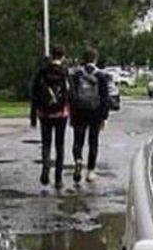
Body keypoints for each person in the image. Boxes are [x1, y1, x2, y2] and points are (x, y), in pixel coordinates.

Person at [30, 44, 71, 189]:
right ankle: (58, 179)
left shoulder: (42, 72)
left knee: (46, 143)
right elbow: (69, 94)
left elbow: (34, 94)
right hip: (61, 114)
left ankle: (45, 168)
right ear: (63, 56)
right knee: (60, 145)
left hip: (44, 113)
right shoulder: (65, 72)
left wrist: (33, 116)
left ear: (52, 55)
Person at [69, 47, 110, 184]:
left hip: (79, 112)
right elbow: (105, 98)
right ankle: (91, 171)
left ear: (83, 59)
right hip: (95, 113)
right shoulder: (101, 76)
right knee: (93, 141)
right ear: (95, 59)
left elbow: (72, 96)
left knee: (78, 140)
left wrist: (72, 113)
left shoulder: (76, 75)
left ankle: (78, 159)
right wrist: (104, 117)